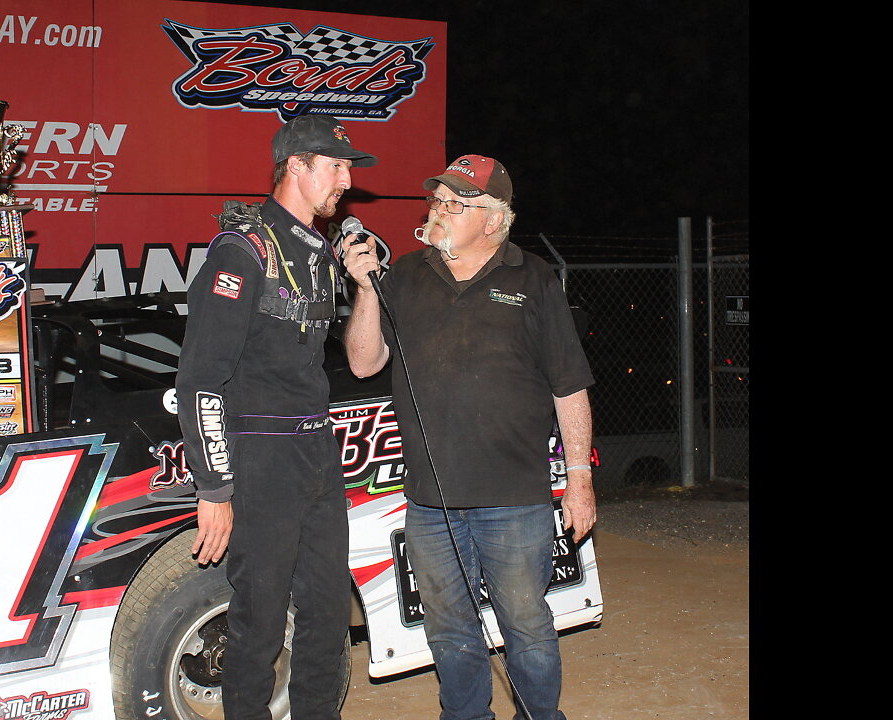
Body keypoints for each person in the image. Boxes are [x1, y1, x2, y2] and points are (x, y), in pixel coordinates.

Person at [340, 155, 596, 720]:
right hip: (430, 503)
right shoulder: (404, 275)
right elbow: (362, 363)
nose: (440, 210)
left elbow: (570, 388)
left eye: (457, 203)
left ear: (493, 220)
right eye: (438, 200)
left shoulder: (533, 280)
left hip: (515, 499)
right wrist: (364, 289)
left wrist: (579, 480)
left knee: (526, 627)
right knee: (450, 630)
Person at [175, 114, 377, 720]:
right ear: (297, 166)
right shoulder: (243, 249)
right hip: (261, 457)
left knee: (323, 614)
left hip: (317, 451)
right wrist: (214, 487)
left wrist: (364, 284)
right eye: (336, 165)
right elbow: (200, 380)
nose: (347, 179)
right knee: (260, 619)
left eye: (347, 166)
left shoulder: (319, 250)